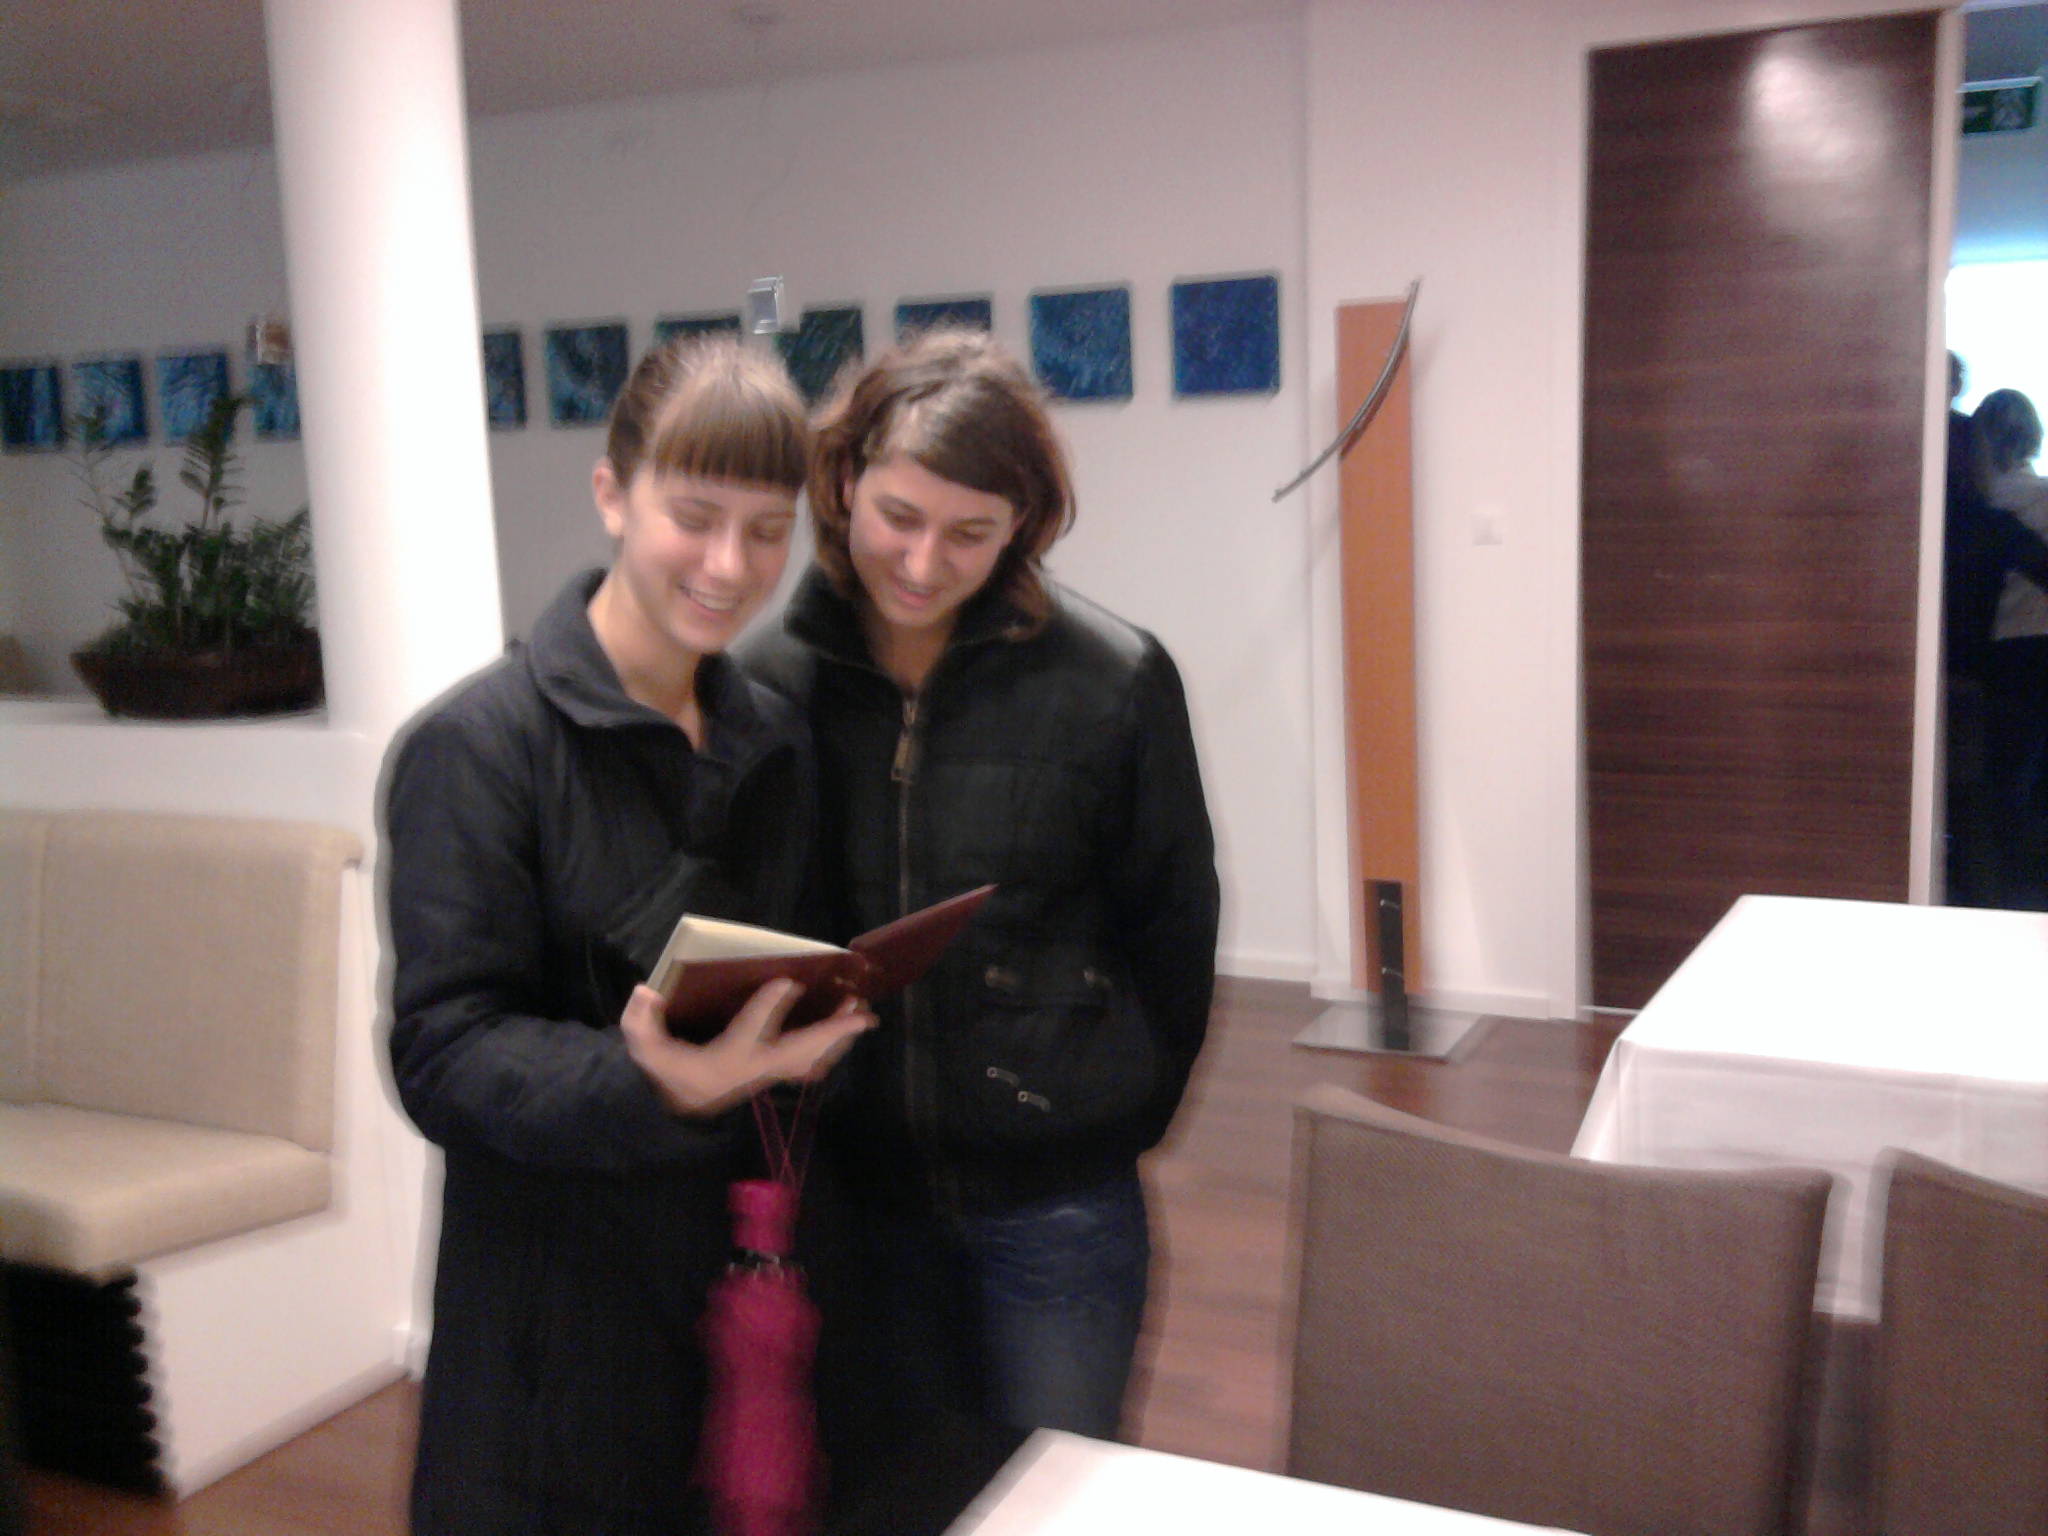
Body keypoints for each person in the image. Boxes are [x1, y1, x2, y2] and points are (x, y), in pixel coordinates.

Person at [381, 336, 871, 1536]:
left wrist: (821, 1022)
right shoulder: (478, 747)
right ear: (612, 494)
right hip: (557, 1308)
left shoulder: (771, 734)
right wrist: (649, 1078)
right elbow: (443, 1052)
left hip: (737, 1271)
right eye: (692, 517)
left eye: (766, 531)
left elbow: (787, 963)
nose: (728, 565)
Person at [745, 329, 1220, 1456]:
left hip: (1056, 1202)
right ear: (844, 483)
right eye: (898, 517)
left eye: (969, 532)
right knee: (891, 1495)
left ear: (1023, 524)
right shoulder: (769, 681)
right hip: (855, 1200)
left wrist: (1106, 1115)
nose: (921, 563)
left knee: (1059, 1495)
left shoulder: (1113, 681)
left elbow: (1173, 931)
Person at [1974, 387, 2048, 908]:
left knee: (2002, 774)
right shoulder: (2043, 495)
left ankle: (2003, 889)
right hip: (2043, 641)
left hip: (2002, 649)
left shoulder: (1975, 501)